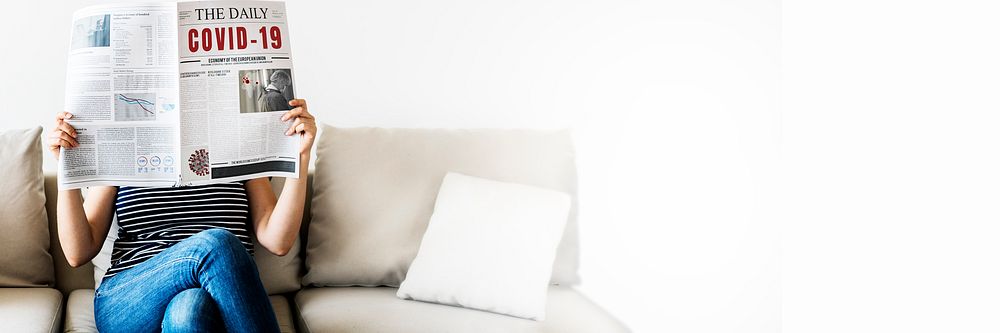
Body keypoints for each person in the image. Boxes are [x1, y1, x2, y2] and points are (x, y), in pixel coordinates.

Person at [48, 99, 317, 333]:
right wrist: (67, 169)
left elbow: (278, 241)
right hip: (129, 299)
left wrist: (301, 156)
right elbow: (77, 252)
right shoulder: (125, 143)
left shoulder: (237, 143)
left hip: (211, 298)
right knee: (216, 245)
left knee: (188, 309)